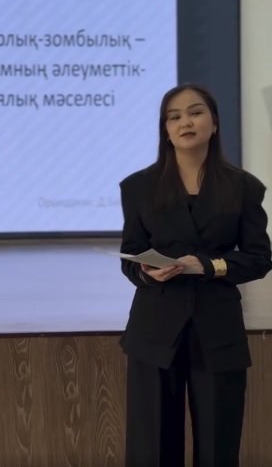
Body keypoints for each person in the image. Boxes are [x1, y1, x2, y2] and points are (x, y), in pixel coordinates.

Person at [119, 83, 272, 467]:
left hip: (217, 328)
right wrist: (148, 274)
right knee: (152, 450)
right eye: (174, 117)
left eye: (195, 112)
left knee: (219, 448)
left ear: (214, 123)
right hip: (155, 330)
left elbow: (259, 258)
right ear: (166, 130)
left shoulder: (243, 187)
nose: (185, 122)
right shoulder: (138, 187)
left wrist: (209, 265)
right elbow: (130, 258)